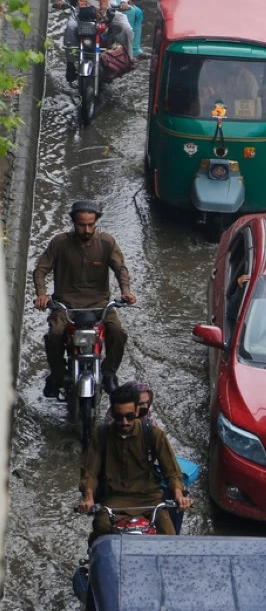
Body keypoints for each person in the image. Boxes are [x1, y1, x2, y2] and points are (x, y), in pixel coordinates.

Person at [33, 200, 136, 398]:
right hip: (66, 306)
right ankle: (57, 374)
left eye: (90, 224)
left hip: (100, 305)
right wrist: (42, 294)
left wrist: (126, 292)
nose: (86, 229)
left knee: (118, 332)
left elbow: (120, 269)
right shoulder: (59, 243)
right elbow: (41, 270)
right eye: (82, 224)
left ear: (96, 222)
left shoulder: (107, 243)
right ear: (73, 223)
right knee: (54, 334)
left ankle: (108, 373)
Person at [77, 384, 191, 545]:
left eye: (129, 416)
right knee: (101, 534)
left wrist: (180, 497)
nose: (124, 422)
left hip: (151, 500)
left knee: (170, 540)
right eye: (119, 417)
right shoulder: (101, 434)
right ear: (112, 413)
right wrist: (88, 499)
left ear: (138, 411)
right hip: (113, 500)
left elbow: (172, 472)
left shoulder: (154, 434)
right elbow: (90, 473)